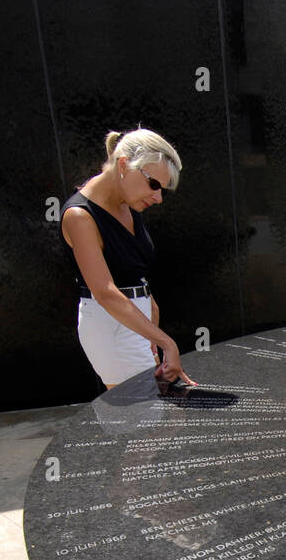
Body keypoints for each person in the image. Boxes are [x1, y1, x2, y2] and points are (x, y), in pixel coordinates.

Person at [60, 127, 195, 388]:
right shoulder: (80, 216)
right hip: (112, 328)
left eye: (163, 190)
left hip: (139, 326)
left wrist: (151, 318)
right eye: (154, 185)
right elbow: (105, 293)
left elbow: (131, 270)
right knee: (148, 421)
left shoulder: (126, 203)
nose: (158, 198)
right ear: (124, 164)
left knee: (152, 420)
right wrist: (167, 342)